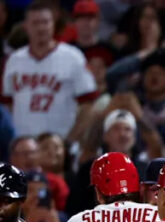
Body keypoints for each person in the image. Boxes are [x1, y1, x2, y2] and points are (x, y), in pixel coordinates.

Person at [0, 0, 97, 141]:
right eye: (35, 23)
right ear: (25, 26)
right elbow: (7, 105)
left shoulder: (73, 57)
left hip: (59, 145)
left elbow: (89, 105)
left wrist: (71, 140)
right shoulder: (14, 60)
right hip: (23, 147)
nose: (41, 28)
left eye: (45, 22)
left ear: (53, 24)